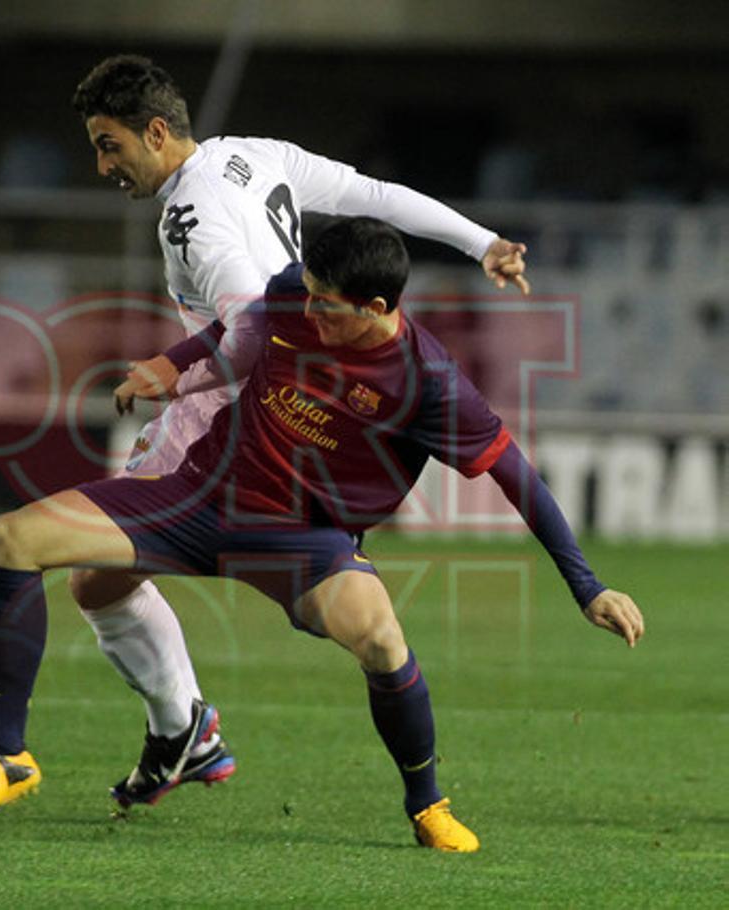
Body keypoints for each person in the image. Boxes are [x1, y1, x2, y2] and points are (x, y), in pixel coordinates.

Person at [0, 217, 644, 852]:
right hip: (199, 495)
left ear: (376, 309)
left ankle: (427, 806)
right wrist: (173, 363)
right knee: (13, 539)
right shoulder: (296, 292)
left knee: (380, 638)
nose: (306, 310)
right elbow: (241, 330)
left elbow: (516, 475)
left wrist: (587, 585)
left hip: (305, 541)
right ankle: (7, 756)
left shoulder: (429, 382)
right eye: (306, 294)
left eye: (325, 305)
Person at [58, 53, 532, 805]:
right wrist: (481, 243)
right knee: (108, 577)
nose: (102, 164)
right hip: (306, 397)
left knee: (94, 575)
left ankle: (187, 729)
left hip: (236, 404)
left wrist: (175, 373)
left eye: (109, 143)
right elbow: (374, 197)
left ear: (155, 132)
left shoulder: (191, 216)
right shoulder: (256, 156)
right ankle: (192, 726)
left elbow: (250, 327)